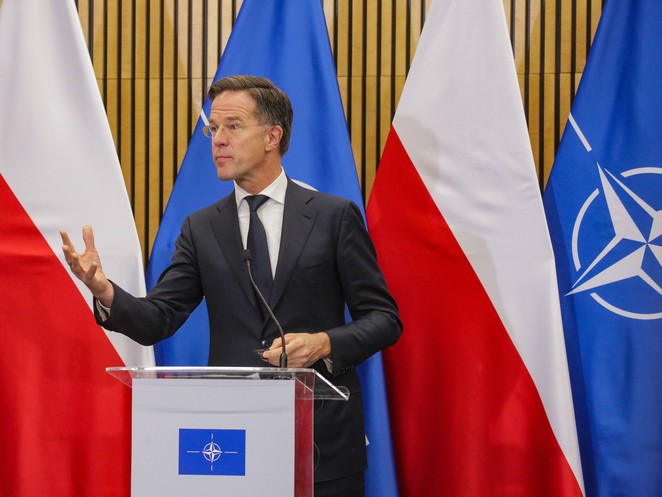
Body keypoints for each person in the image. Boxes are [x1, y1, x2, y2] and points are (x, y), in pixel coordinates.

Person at [61, 75, 401, 497]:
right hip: (231, 441)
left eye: (233, 126)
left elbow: (384, 319)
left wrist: (323, 344)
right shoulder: (202, 227)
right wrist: (103, 290)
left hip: (321, 442)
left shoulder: (333, 217)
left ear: (273, 136)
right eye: (213, 128)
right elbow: (157, 319)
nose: (218, 139)